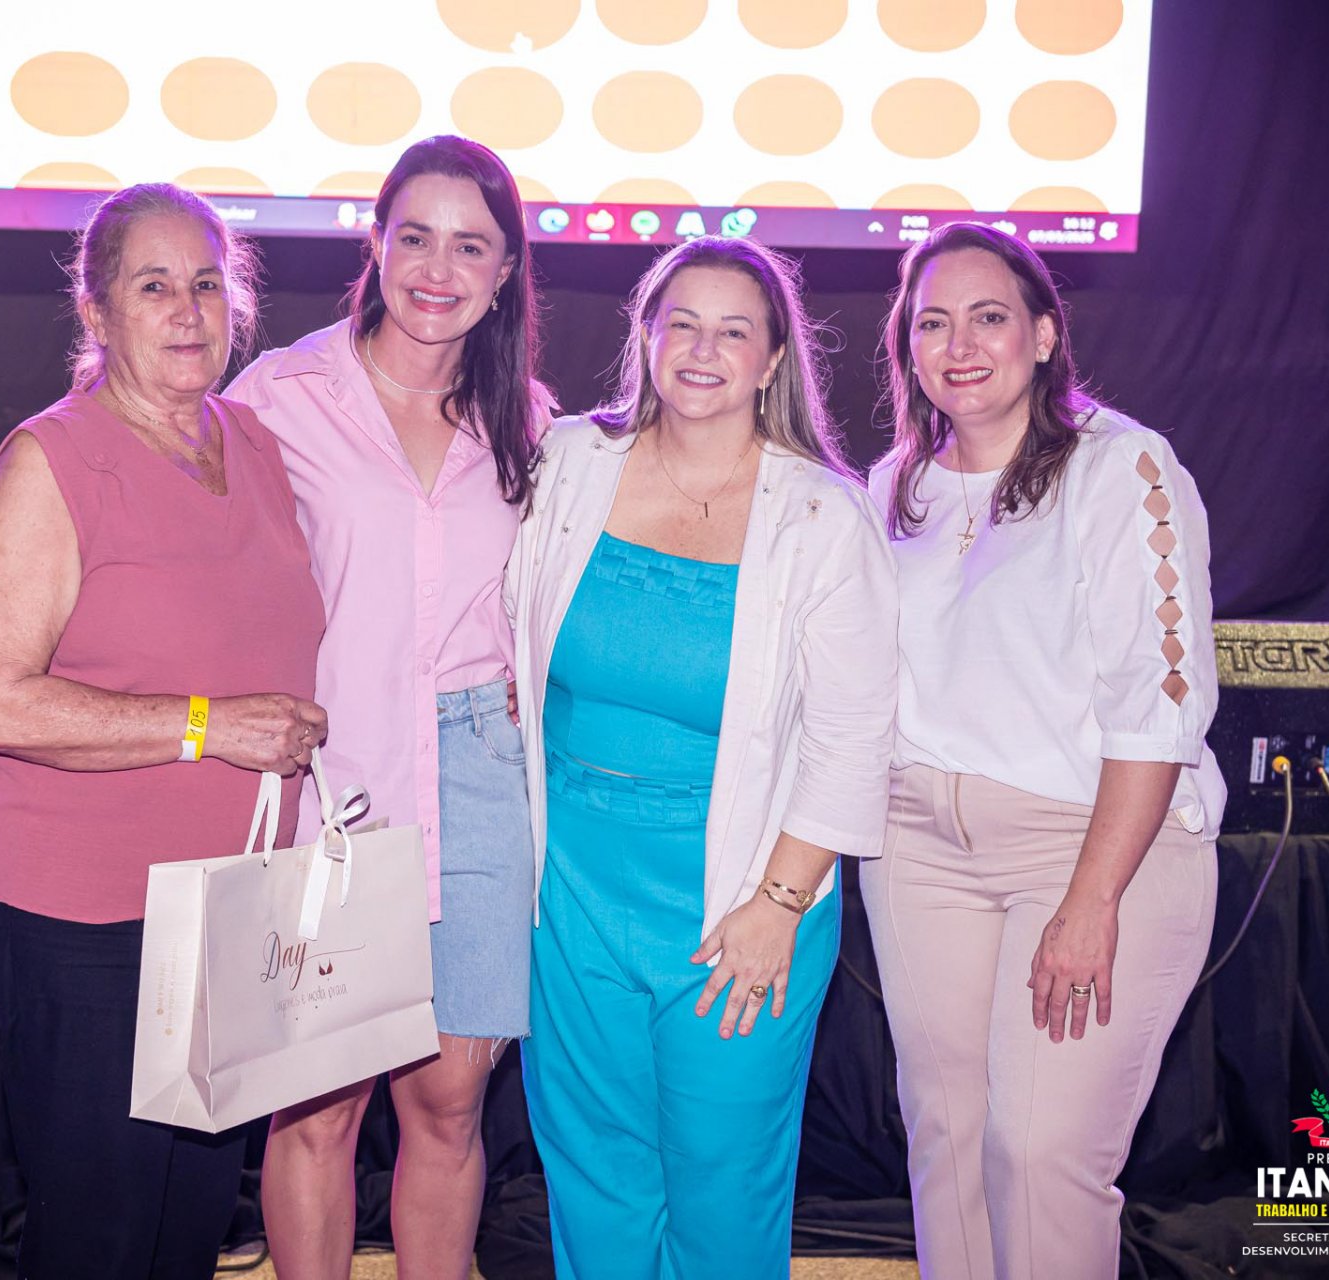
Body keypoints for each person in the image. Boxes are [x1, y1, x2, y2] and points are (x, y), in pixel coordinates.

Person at [0, 183, 327, 1280]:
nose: (187, 310)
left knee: (187, 1224)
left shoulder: (252, 441)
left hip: (227, 908)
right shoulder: (51, 461)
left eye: (207, 283)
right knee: (100, 1235)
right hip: (86, 920)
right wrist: (209, 728)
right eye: (153, 285)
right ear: (97, 310)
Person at [509, 235, 900, 1278]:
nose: (701, 349)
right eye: (680, 322)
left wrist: (779, 903)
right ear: (645, 336)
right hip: (571, 884)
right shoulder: (567, 464)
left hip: (740, 897)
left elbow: (853, 736)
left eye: (733, 331)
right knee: (594, 1171)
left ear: (772, 361)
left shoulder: (822, 516)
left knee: (722, 1188)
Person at [863, 221, 1226, 1279]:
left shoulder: (1122, 468)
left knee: (1041, 1153)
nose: (960, 344)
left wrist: (1092, 897)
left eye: (988, 317)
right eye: (933, 322)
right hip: (918, 847)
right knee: (947, 1138)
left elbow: (1158, 703)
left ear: (1044, 334)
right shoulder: (893, 485)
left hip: (1092, 847)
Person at [227, 135, 548, 1279]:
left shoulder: (529, 418)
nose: (437, 269)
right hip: (336, 774)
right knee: (320, 1104)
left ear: (505, 271)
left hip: (481, 777)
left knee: (450, 1100)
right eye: (415, 237)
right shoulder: (282, 395)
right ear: (376, 243)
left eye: (470, 246)